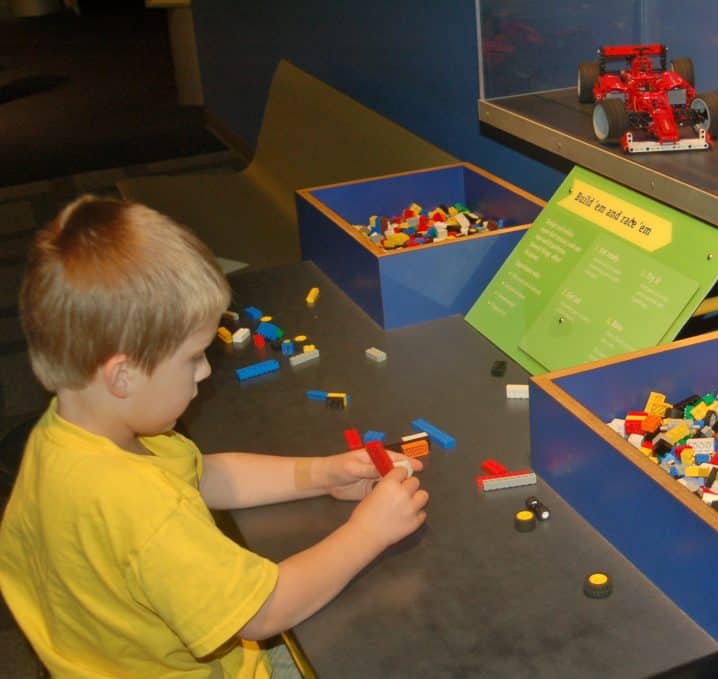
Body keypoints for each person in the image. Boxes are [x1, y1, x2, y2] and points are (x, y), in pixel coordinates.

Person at [0, 195, 429, 677]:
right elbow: (264, 612)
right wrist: (368, 533)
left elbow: (202, 475)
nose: (206, 371)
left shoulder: (68, 433)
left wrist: (320, 473)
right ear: (122, 376)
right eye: (193, 357)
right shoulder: (141, 509)